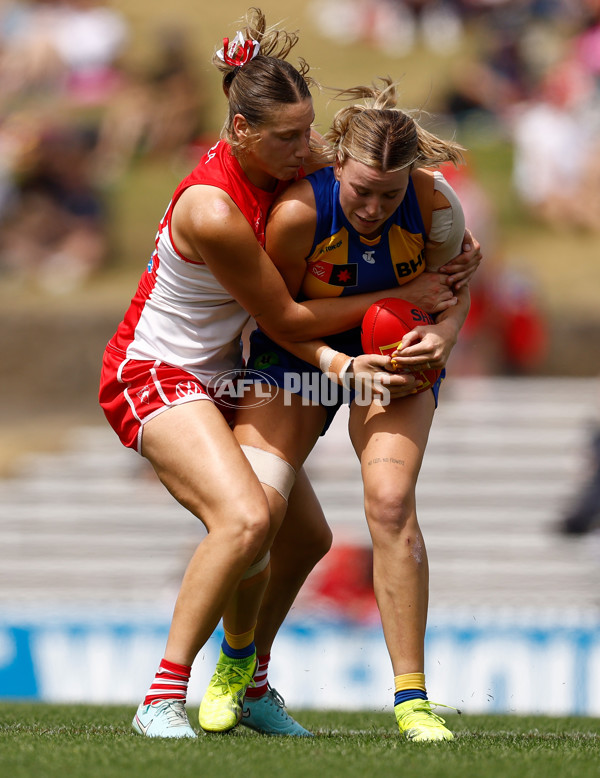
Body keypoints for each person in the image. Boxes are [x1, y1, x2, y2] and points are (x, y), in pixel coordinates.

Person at [98, 8, 477, 740]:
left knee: (305, 540)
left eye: (309, 133)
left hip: (224, 379)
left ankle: (253, 679)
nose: (309, 148)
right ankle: (161, 697)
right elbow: (285, 318)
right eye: (290, 136)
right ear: (241, 131)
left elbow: (444, 252)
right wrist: (394, 311)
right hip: (160, 372)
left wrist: (451, 292)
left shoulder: (305, 171)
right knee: (246, 518)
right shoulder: (214, 209)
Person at [216, 76, 477, 743]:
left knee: (391, 505)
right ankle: (238, 663)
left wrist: (440, 336)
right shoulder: (301, 213)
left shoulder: (438, 210)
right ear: (338, 166)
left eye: (389, 195)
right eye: (361, 191)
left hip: (393, 360)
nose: (371, 207)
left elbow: (452, 294)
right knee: (261, 511)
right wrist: (344, 352)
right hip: (299, 356)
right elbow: (278, 317)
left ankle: (413, 701)